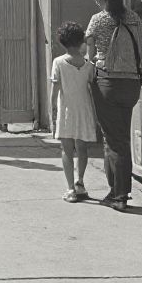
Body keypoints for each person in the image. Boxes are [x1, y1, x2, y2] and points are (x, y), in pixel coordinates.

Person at [85, 0, 142, 211]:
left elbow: (90, 56)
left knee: (115, 140)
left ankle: (120, 195)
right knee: (117, 137)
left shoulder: (97, 20)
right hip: (131, 85)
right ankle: (114, 189)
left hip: (107, 83)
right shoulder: (134, 17)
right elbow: (140, 46)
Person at [49, 21, 97, 202]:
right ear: (81, 41)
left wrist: (52, 112)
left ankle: (70, 189)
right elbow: (91, 85)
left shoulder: (59, 63)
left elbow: (55, 91)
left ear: (62, 42)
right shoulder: (88, 65)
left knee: (67, 150)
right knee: (82, 148)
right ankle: (80, 182)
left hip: (66, 110)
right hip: (84, 110)